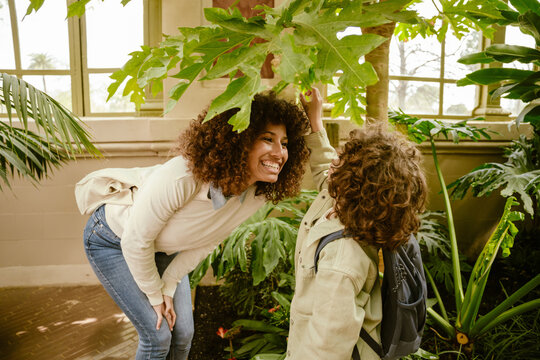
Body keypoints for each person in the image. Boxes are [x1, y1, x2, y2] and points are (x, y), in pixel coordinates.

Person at [75, 92, 310, 360]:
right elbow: (135, 241)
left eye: (285, 143)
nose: (280, 152)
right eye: (267, 139)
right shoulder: (184, 176)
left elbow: (207, 240)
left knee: (183, 333)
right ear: (239, 140)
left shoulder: (256, 193)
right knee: (158, 335)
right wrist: (155, 294)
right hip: (113, 240)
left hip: (160, 249)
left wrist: (169, 284)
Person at [285, 88, 428, 360]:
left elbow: (326, 349)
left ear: (354, 185)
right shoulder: (346, 206)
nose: (334, 159)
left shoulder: (342, 261)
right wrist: (314, 120)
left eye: (342, 160)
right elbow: (322, 167)